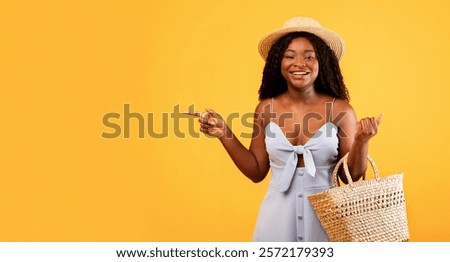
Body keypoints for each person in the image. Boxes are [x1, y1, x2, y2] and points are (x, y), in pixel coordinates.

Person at [184, 17, 381, 242]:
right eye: (290, 56)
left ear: (322, 62)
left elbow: (350, 178)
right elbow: (256, 171)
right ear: (279, 62)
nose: (299, 63)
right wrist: (223, 133)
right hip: (274, 221)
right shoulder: (266, 109)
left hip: (328, 221)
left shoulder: (341, 110)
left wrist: (362, 141)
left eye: (309, 56)